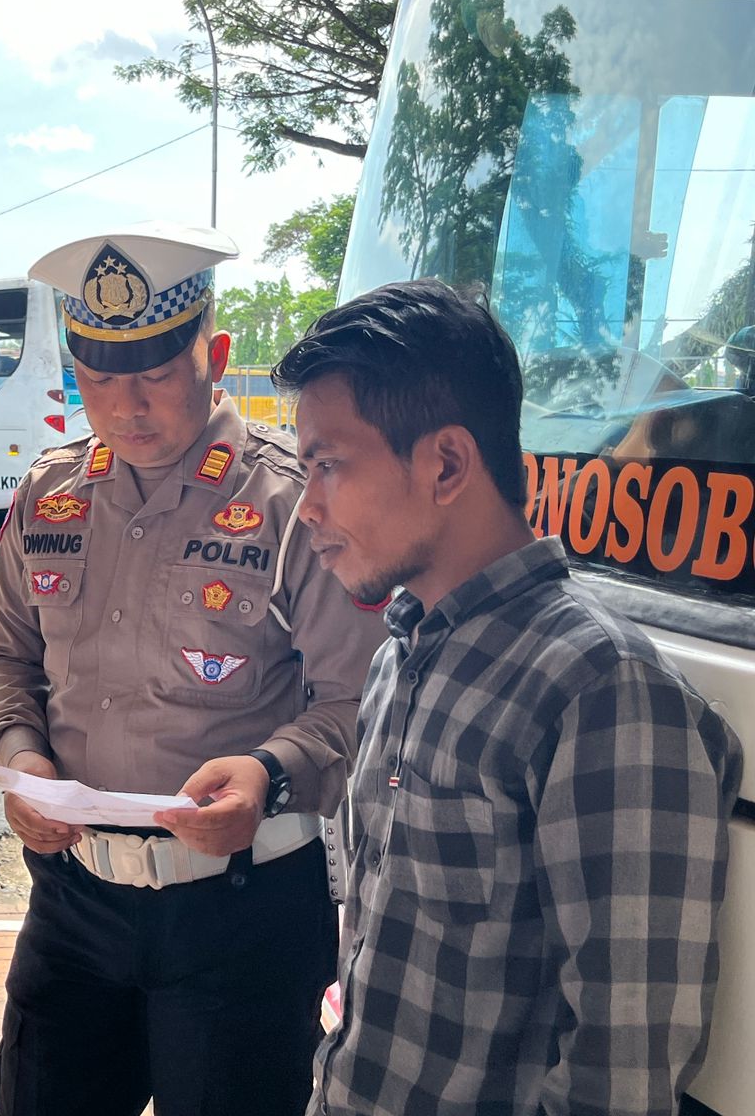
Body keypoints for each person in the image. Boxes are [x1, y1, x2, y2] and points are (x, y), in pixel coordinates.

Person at [272, 278, 743, 1116]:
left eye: (328, 466)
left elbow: (618, 1075)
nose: (305, 508)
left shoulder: (603, 693)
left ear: (447, 463)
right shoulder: (402, 650)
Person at [0, 224, 389, 1116]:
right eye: (97, 375)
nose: (126, 405)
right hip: (75, 904)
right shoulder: (48, 494)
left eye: (158, 373)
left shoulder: (293, 503)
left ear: (216, 353)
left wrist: (271, 775)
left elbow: (358, 700)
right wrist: (22, 757)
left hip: (242, 918)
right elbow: (10, 656)